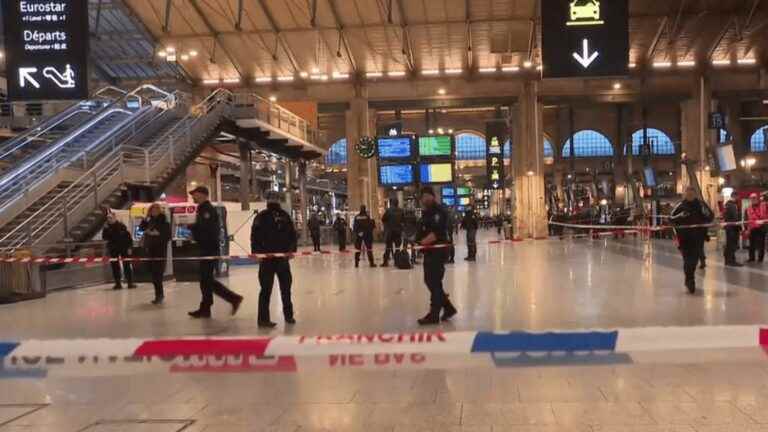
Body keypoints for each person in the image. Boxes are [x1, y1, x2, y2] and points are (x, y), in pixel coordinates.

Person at [187, 186, 244, 318]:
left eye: (194, 194)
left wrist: (194, 231)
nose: (193, 197)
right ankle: (206, 308)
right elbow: (204, 228)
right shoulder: (202, 209)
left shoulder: (207, 210)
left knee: (207, 280)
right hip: (206, 248)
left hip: (208, 249)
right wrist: (193, 228)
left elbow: (209, 232)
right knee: (205, 280)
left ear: (202, 195)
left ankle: (233, 299)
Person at [251, 192, 297, 328]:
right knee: (270, 290)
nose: (273, 201)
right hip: (270, 258)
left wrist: (291, 250)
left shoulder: (281, 216)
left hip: (277, 259)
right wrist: (258, 254)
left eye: (275, 199)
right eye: (272, 199)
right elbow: (255, 237)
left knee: (282, 289)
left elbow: (292, 235)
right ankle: (267, 319)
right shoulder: (268, 216)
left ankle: (287, 316)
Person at [415, 186, 457, 325]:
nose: (425, 199)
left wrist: (422, 242)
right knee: (432, 282)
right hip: (430, 251)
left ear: (433, 196)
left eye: (427, 195)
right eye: (423, 196)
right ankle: (448, 308)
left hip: (437, 252)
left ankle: (433, 315)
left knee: (433, 281)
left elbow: (437, 232)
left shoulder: (439, 212)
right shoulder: (426, 212)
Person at [670, 187, 714, 294]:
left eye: (691, 194)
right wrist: (680, 216)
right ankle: (689, 280)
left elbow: (710, 216)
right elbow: (670, 218)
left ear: (695, 195)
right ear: (685, 195)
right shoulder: (680, 205)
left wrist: (706, 215)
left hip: (698, 238)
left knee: (694, 261)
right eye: (687, 194)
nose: (689, 196)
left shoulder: (701, 204)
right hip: (684, 238)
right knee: (687, 260)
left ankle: (690, 278)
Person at [139, 203, 171, 304]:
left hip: (160, 251)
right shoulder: (150, 220)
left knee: (158, 274)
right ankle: (158, 295)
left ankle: (159, 295)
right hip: (150, 250)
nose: (154, 211)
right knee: (154, 274)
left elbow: (167, 236)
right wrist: (145, 219)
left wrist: (157, 234)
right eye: (152, 210)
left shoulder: (164, 222)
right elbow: (141, 228)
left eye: (156, 210)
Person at [102, 212, 135, 290]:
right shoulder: (107, 227)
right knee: (115, 266)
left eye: (110, 217)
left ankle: (130, 283)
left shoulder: (121, 226)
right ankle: (118, 283)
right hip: (113, 249)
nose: (109, 219)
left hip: (124, 248)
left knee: (126, 265)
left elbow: (128, 237)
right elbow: (104, 237)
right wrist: (105, 229)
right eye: (108, 218)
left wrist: (130, 247)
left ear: (114, 217)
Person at [381, 198, 404, 267]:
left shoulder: (388, 210)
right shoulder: (401, 211)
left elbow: (383, 219)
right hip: (398, 232)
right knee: (397, 248)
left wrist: (387, 224)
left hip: (390, 232)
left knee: (388, 247)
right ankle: (397, 262)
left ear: (392, 203)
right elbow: (403, 220)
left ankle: (385, 262)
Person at [723, 191, 742, 267]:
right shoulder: (732, 205)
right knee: (732, 244)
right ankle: (731, 261)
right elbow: (735, 217)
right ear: (735, 196)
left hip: (728, 227)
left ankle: (729, 260)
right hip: (732, 228)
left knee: (729, 244)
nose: (739, 198)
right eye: (738, 196)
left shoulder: (727, 204)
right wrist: (739, 226)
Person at [746, 193, 766, 263]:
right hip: (752, 227)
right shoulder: (748, 208)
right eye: (751, 198)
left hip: (761, 227)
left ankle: (760, 258)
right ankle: (751, 258)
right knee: (751, 244)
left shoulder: (763, 206)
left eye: (754, 198)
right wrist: (748, 229)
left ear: (757, 199)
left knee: (761, 244)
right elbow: (748, 219)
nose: (753, 200)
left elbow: (763, 216)